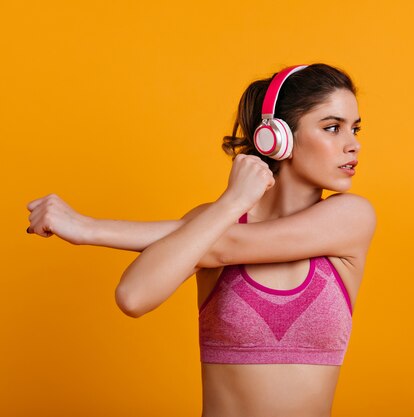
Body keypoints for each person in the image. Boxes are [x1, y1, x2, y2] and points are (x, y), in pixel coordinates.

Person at [26, 63, 376, 417]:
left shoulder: (351, 218)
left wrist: (88, 229)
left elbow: (224, 247)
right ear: (277, 136)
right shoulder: (213, 222)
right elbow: (133, 297)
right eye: (333, 128)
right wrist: (231, 202)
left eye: (355, 128)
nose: (354, 145)